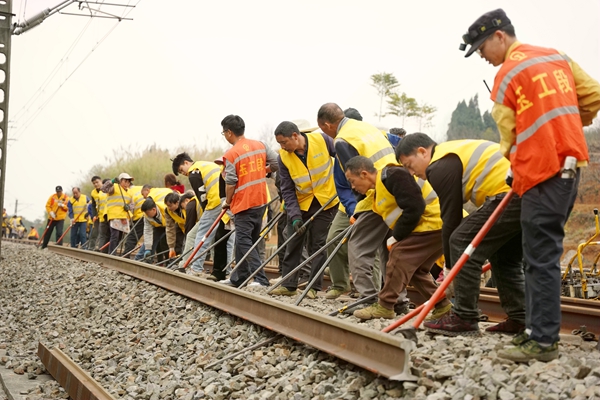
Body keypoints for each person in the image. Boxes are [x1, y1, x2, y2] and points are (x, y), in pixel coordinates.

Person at [459, 9, 600, 362]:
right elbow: (593, 95)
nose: (483, 58)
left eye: (481, 49)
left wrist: (521, 163)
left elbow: (508, 139)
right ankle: (540, 334)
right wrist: (568, 124)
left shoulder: (508, 74)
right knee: (543, 254)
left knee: (540, 258)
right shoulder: (556, 57)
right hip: (570, 169)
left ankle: (542, 340)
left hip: (540, 175)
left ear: (499, 37)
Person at [397, 133, 525, 338]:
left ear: (422, 152)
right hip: (525, 192)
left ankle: (464, 317)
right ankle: (520, 319)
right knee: (504, 258)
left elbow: (451, 219)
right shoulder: (452, 153)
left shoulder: (438, 165)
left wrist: (449, 268)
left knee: (461, 240)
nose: (411, 173)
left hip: (510, 192)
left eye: (409, 165)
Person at [317, 103, 409, 313]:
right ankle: (398, 301)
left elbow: (356, 177)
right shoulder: (368, 128)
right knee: (390, 249)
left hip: (376, 193)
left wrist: (358, 211)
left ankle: (367, 299)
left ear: (327, 125)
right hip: (396, 185)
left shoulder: (342, 140)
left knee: (358, 246)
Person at [344, 156, 452, 320]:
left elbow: (415, 207)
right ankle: (442, 306)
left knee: (398, 255)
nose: (352, 187)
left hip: (434, 222)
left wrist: (397, 237)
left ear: (364, 174)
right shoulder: (379, 189)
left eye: (352, 181)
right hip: (436, 225)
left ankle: (385, 306)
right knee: (416, 271)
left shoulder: (392, 174)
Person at [269, 121, 338, 299]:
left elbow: (343, 159)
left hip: (326, 201)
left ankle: (313, 287)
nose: (282, 147)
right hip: (302, 203)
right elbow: (287, 189)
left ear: (295, 136)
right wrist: (294, 216)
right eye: (279, 144)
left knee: (318, 244)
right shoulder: (283, 157)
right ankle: (288, 285)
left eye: (284, 142)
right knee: (293, 239)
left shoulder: (323, 140)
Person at [220, 114, 279, 287]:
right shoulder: (260, 145)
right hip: (260, 200)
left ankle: (260, 279)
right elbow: (276, 162)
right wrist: (264, 170)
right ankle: (239, 278)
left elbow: (230, 183)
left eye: (224, 133)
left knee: (244, 242)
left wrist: (228, 201)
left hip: (243, 203)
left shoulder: (231, 154)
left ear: (229, 132)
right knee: (246, 241)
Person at [171, 153, 224, 276]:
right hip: (225, 201)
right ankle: (224, 271)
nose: (183, 173)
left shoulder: (194, 172)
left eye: (181, 170)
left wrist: (207, 211)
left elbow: (202, 196)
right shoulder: (208, 164)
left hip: (214, 203)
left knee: (201, 234)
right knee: (221, 237)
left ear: (186, 163)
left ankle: (196, 268)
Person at [103, 173, 134, 255]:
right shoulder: (114, 188)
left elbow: (132, 204)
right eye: (125, 181)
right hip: (114, 216)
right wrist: (111, 181)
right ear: (120, 181)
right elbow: (103, 189)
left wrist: (129, 207)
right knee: (115, 236)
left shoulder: (130, 192)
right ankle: (112, 254)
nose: (127, 183)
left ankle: (114, 253)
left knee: (120, 237)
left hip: (124, 217)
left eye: (129, 182)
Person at [141, 197, 168, 263]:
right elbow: (148, 231)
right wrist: (148, 248)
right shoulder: (147, 216)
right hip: (160, 225)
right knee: (153, 241)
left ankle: (170, 262)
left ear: (154, 209)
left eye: (148, 213)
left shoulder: (165, 209)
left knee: (165, 243)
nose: (147, 215)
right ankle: (148, 261)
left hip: (173, 225)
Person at [164, 191, 186, 258]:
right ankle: (178, 258)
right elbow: (170, 228)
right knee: (177, 239)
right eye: (167, 206)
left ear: (177, 203)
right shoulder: (168, 211)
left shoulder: (186, 205)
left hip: (193, 225)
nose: (169, 208)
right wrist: (171, 248)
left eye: (170, 206)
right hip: (181, 226)